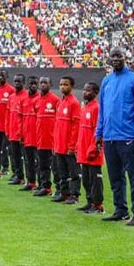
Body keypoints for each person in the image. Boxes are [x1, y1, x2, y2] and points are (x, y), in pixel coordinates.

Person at [95, 47, 134, 225]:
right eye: (113, 56)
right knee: (115, 177)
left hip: (129, 137)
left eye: (119, 56)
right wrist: (99, 133)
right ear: (109, 59)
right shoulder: (106, 81)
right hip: (110, 137)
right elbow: (102, 110)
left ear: (125, 57)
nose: (116, 59)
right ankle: (121, 210)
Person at [53, 76, 81, 204]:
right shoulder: (60, 102)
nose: (63, 87)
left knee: (73, 172)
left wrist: (72, 146)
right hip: (59, 145)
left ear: (71, 86)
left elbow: (76, 127)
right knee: (62, 172)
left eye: (66, 84)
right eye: (61, 84)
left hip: (69, 147)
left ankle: (74, 195)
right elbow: (57, 126)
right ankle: (64, 194)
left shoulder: (74, 103)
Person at [77, 82, 104, 214]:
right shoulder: (85, 107)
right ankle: (90, 201)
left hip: (92, 152)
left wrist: (93, 148)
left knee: (95, 180)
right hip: (83, 150)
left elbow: (98, 131)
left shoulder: (96, 108)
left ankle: (98, 205)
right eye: (84, 90)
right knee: (86, 179)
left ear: (95, 93)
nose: (84, 92)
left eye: (88, 90)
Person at [32, 76, 60, 197]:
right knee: (42, 165)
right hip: (40, 139)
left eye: (45, 83)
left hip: (52, 140)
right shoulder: (36, 101)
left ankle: (60, 188)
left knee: (55, 167)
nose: (43, 85)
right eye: (41, 82)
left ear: (50, 84)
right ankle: (45, 186)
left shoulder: (55, 100)